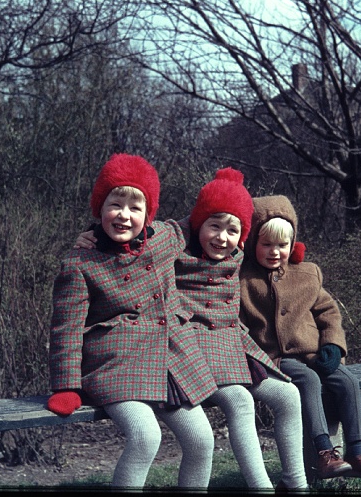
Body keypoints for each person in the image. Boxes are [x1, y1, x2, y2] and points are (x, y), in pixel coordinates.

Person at [76, 168, 308, 491]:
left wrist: (293, 250)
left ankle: (296, 484)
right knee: (240, 401)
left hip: (233, 345)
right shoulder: (176, 243)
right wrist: (95, 234)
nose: (221, 237)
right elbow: (138, 229)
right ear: (198, 223)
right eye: (213, 226)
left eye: (232, 230)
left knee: (289, 395)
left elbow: (269, 241)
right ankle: (262, 488)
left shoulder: (238, 252)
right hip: (193, 349)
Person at [47, 153, 217, 490]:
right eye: (115, 204)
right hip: (116, 366)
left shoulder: (165, 238)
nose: (124, 215)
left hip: (171, 364)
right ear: (100, 207)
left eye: (135, 207)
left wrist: (227, 190)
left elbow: (204, 219)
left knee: (202, 441)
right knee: (146, 437)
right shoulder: (80, 262)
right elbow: (65, 329)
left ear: (148, 214)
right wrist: (66, 385)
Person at [238, 195, 361, 481]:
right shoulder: (243, 279)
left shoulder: (307, 274)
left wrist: (332, 343)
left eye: (282, 245)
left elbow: (328, 312)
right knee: (308, 381)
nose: (275, 252)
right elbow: (240, 325)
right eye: (266, 244)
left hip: (312, 352)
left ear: (292, 243)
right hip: (275, 358)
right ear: (252, 244)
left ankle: (357, 452)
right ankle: (324, 453)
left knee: (346, 380)